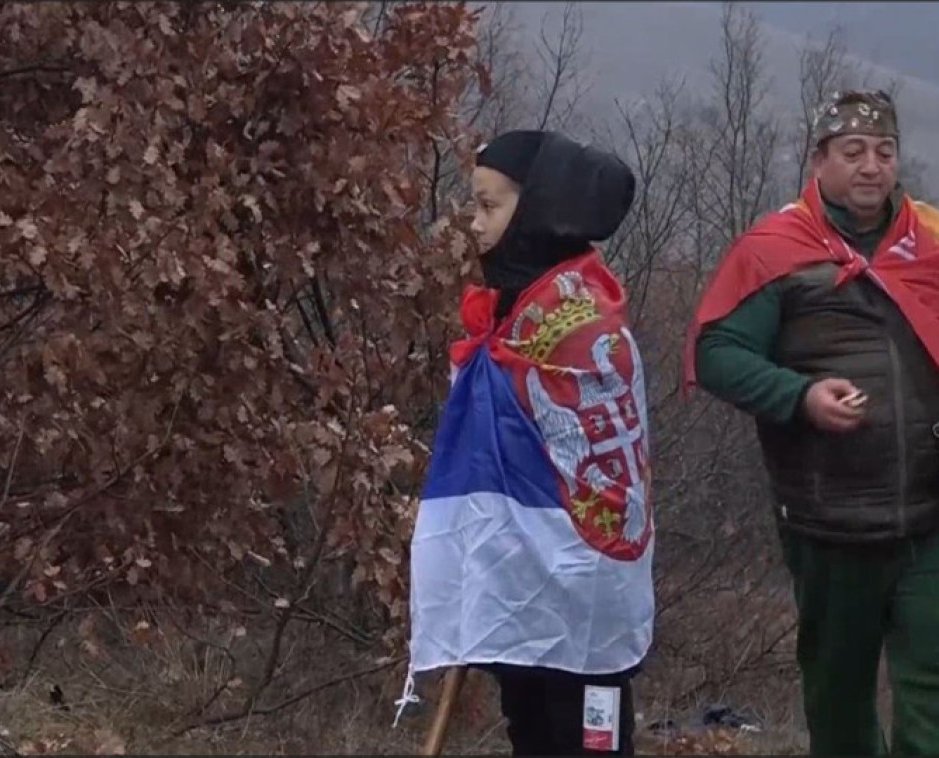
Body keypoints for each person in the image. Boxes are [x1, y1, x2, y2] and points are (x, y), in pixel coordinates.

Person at [683, 89, 939, 756]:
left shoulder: (931, 240)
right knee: (839, 694)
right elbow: (716, 353)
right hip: (832, 520)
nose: (871, 167)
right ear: (819, 159)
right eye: (852, 152)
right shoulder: (776, 250)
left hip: (930, 515)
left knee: (933, 690)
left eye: (884, 152)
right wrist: (800, 397)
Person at [399, 130, 654, 756]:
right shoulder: (509, 313)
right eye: (474, 207)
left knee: (585, 735)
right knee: (532, 728)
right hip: (521, 572)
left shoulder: (578, 318)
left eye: (490, 208)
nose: (476, 226)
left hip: (579, 579)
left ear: (538, 210)